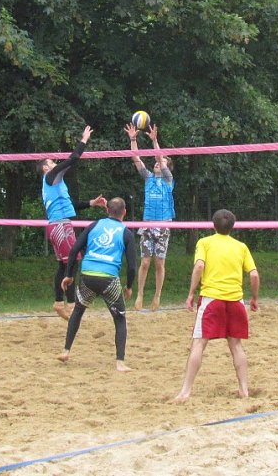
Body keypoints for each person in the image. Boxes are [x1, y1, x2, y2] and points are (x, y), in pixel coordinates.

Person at [174, 209, 259, 402]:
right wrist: (254, 298)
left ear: (213, 225)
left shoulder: (204, 243)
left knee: (199, 343)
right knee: (236, 345)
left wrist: (190, 294)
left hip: (212, 299)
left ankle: (186, 391)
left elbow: (199, 266)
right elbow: (253, 275)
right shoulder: (241, 246)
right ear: (232, 226)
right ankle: (244, 390)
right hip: (236, 300)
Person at [57, 197, 136, 371]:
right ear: (124, 212)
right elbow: (132, 267)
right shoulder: (126, 233)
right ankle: (120, 362)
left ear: (107, 210)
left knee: (78, 311)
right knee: (120, 319)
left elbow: (74, 250)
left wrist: (69, 275)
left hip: (88, 276)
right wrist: (129, 286)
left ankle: (66, 351)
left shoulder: (94, 225)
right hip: (109, 279)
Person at [38, 125, 107, 320]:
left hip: (59, 224)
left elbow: (71, 205)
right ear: (45, 167)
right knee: (72, 262)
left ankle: (60, 302)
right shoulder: (51, 176)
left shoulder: (56, 183)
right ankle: (67, 303)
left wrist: (91, 203)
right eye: (51, 162)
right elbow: (73, 159)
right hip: (60, 226)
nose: (54, 163)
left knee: (64, 265)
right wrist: (84, 140)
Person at [124, 122, 175, 311]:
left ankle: (157, 296)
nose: (157, 163)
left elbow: (160, 158)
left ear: (166, 167)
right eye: (156, 163)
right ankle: (140, 295)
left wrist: (155, 141)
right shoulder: (148, 178)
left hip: (163, 225)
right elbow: (136, 159)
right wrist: (133, 139)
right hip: (147, 224)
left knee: (159, 264)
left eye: (161, 163)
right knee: (145, 262)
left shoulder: (168, 180)